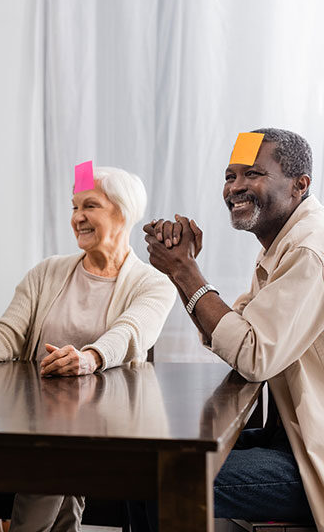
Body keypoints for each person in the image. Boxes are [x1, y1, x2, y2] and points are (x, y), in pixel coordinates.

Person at [0, 167, 177, 532]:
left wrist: (89, 358)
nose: (77, 217)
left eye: (89, 205)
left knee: (54, 460)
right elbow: (9, 330)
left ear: (122, 212)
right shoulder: (48, 271)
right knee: (55, 455)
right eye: (74, 207)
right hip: (40, 426)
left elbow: (130, 333)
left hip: (112, 431)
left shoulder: (153, 283)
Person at [136, 128, 321, 529]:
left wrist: (185, 271)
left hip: (311, 454)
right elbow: (232, 332)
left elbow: (252, 355)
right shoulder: (282, 245)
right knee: (145, 464)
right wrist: (183, 270)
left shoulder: (308, 250)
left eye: (252, 173)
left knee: (159, 480)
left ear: (299, 185)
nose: (235, 187)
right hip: (289, 438)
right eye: (229, 175)